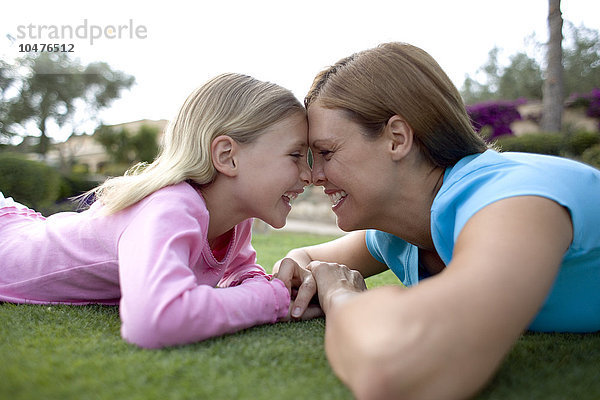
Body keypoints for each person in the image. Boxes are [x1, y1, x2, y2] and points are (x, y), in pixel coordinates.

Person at [277, 42, 600, 400]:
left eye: (325, 153)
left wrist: (339, 293)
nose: (312, 175)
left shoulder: (512, 199)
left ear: (397, 138)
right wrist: (308, 278)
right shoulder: (398, 230)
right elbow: (299, 261)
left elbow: (393, 368)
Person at [0, 73, 320, 349]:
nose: (308, 176)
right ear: (227, 156)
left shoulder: (236, 222)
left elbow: (239, 274)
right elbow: (155, 320)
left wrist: (275, 285)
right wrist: (273, 300)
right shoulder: (171, 207)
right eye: (295, 155)